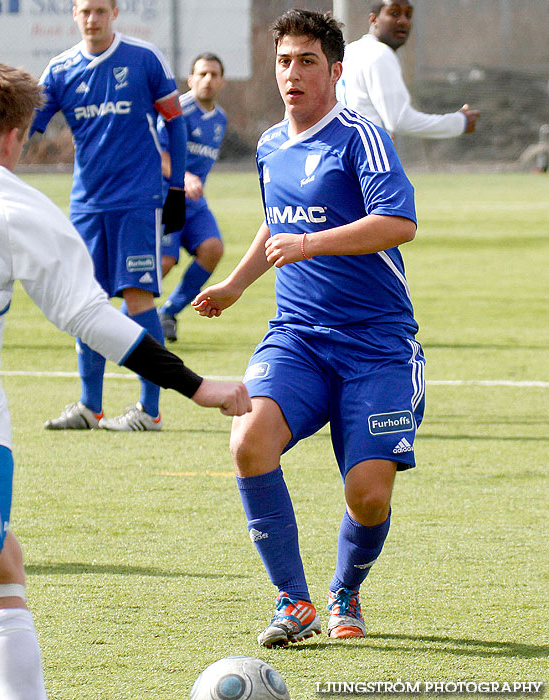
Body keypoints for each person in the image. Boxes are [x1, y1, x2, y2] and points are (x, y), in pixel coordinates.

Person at [0, 60, 250, 699]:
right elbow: (92, 318)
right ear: (16, 135)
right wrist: (197, 385)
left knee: (0, 562)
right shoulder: (10, 201)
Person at [194, 9, 426, 647]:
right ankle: (293, 602)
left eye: (306, 61)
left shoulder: (360, 135)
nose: (291, 74)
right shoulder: (272, 144)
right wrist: (236, 285)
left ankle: (345, 588)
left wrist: (312, 243)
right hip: (297, 335)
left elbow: (398, 223)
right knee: (248, 444)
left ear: (336, 70)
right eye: (283, 61)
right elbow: (277, 222)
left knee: (368, 495)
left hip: (376, 343)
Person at [32, 0, 188, 432]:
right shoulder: (60, 69)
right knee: (87, 299)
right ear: (74, 14)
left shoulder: (144, 58)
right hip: (86, 203)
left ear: (115, 12)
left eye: (101, 10)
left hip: (137, 200)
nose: (92, 18)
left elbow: (174, 121)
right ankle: (89, 406)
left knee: (137, 299)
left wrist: (175, 188)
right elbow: (28, 124)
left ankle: (150, 410)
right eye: (85, 10)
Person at [156, 53, 228, 343]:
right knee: (164, 261)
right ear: (190, 80)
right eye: (202, 74)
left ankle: (168, 312)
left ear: (222, 81)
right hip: (169, 195)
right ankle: (125, 321)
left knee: (212, 249)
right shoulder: (178, 111)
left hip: (194, 203)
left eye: (213, 74)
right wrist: (183, 177)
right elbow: (157, 151)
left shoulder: (220, 119)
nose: (207, 80)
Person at [337, 0, 480, 139]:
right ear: (373, 19)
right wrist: (459, 122)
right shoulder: (380, 53)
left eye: (408, 15)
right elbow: (400, 120)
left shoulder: (350, 51)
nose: (403, 21)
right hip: (363, 157)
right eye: (394, 13)